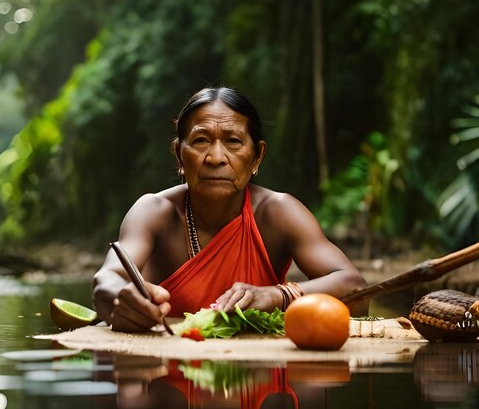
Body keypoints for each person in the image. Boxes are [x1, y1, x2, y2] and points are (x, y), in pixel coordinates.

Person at [92, 86, 368, 333]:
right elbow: (107, 278)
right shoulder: (154, 212)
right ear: (179, 155)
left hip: (256, 381)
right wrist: (121, 301)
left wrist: (276, 296)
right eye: (201, 141)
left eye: (233, 142)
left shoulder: (278, 213)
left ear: (257, 156)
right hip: (165, 377)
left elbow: (355, 289)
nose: (215, 158)